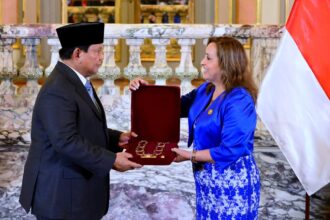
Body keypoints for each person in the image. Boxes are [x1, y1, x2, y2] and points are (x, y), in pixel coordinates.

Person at [19, 22, 142, 220]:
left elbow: (83, 126)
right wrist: (111, 160)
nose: (102, 57)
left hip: (76, 195)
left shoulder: (75, 81)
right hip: (63, 198)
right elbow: (66, 141)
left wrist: (117, 138)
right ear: (78, 53)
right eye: (98, 51)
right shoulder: (58, 89)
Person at [130, 36, 260, 219]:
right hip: (207, 181)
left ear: (226, 63)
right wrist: (145, 91)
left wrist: (190, 155)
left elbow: (230, 150)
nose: (202, 62)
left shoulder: (239, 100)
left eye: (208, 58)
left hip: (232, 185)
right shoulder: (206, 89)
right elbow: (171, 107)